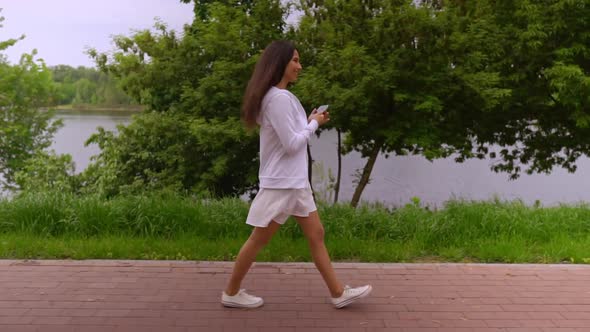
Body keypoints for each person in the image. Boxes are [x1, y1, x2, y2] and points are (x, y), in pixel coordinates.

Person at [221, 40, 372, 309]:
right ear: (279, 63)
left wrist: (310, 120)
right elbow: (292, 144)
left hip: (294, 182)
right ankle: (231, 292)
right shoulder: (277, 99)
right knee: (259, 239)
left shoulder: (278, 97)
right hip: (284, 183)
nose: (299, 66)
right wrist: (314, 123)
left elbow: (289, 135)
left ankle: (338, 293)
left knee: (316, 234)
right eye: (295, 60)